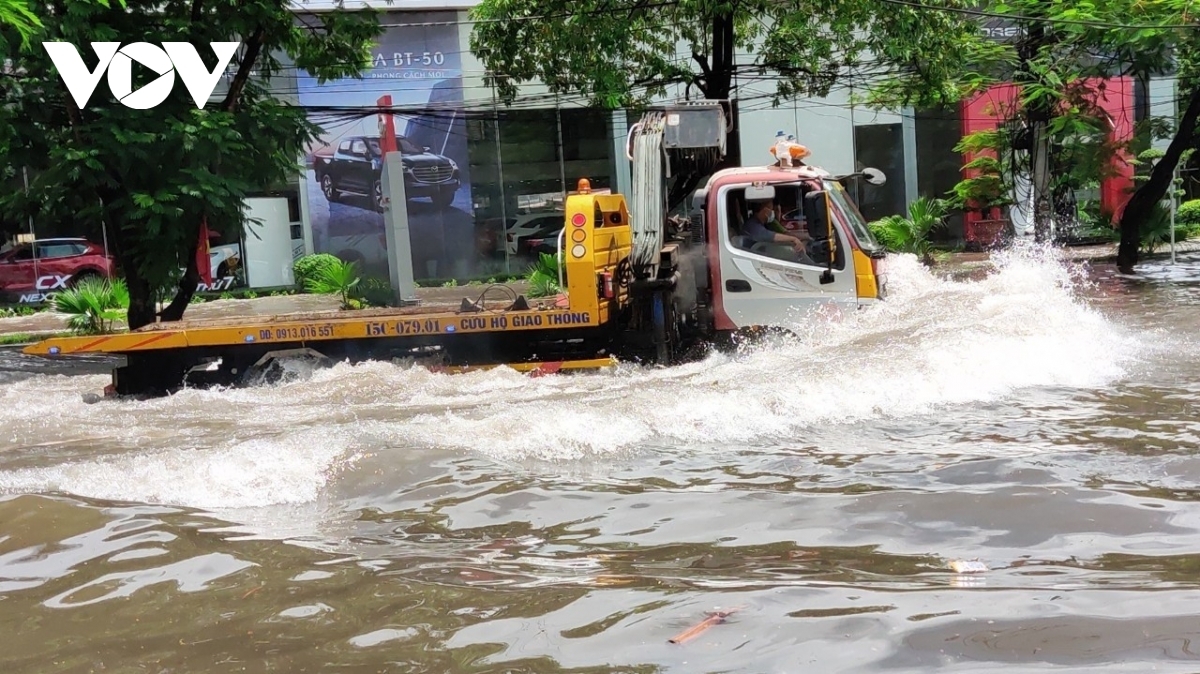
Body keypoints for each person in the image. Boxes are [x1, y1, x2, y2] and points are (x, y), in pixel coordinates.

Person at [742, 199, 810, 258]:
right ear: (765, 210)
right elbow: (769, 236)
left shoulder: (764, 223)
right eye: (771, 209)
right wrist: (794, 239)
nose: (773, 212)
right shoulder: (752, 225)